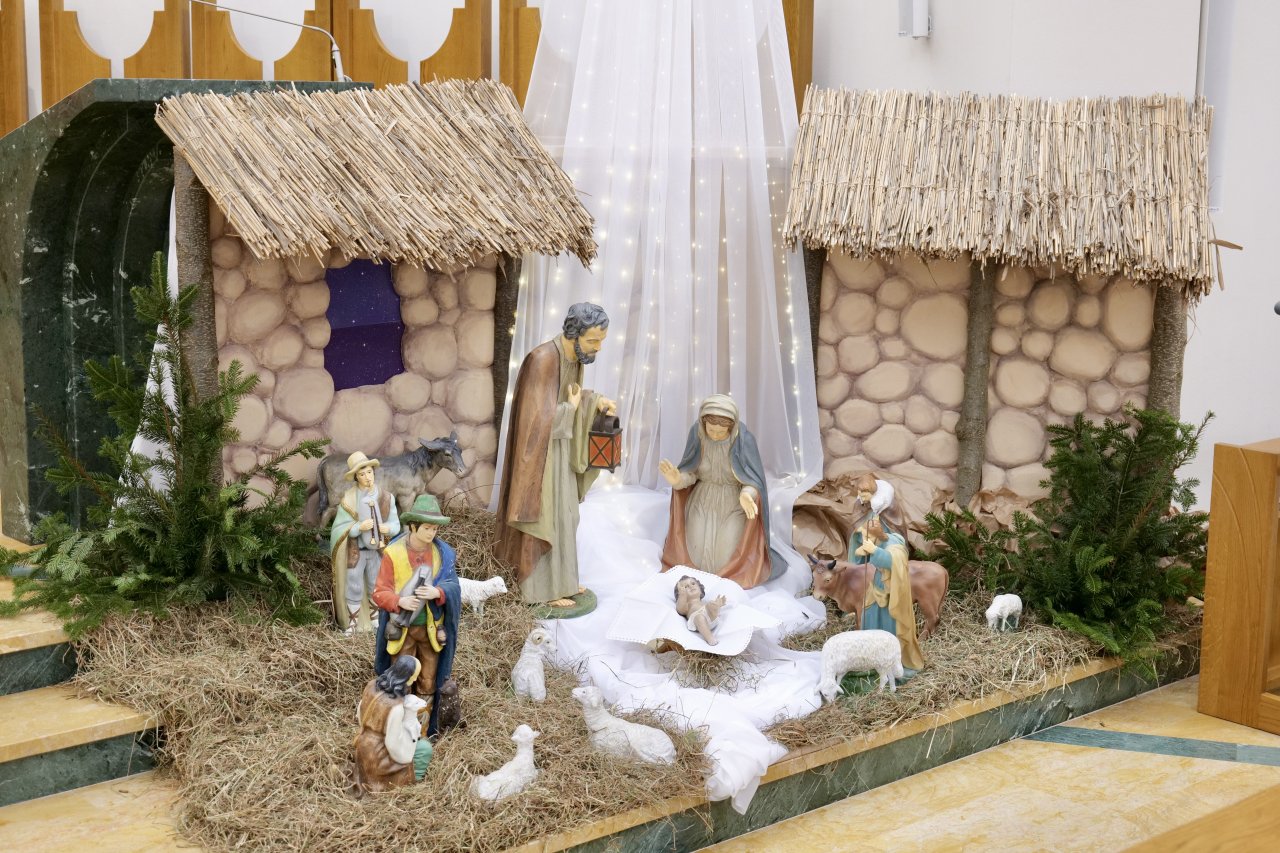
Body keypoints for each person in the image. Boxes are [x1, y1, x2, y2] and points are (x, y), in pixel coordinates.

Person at [494, 303, 617, 608]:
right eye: (593, 341)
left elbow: (567, 397)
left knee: (566, 515)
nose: (598, 348)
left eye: (601, 341)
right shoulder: (542, 359)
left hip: (561, 451)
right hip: (540, 459)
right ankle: (540, 590)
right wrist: (570, 409)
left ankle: (563, 582)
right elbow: (534, 420)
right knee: (546, 517)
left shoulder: (575, 357)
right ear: (573, 334)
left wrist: (595, 401)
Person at [659, 394, 784, 590]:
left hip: (733, 502)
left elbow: (753, 480)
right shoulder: (698, 435)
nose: (715, 435)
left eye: (721, 432)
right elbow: (691, 473)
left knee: (724, 556)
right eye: (711, 430)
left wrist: (747, 494)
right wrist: (677, 480)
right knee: (695, 552)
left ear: (731, 427)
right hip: (702, 499)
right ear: (703, 424)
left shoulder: (743, 440)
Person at [371, 494, 461, 735]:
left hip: (431, 631)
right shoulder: (393, 553)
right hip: (402, 631)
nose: (432, 533)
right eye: (427, 528)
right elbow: (379, 592)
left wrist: (438, 591)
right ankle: (397, 729)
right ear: (413, 526)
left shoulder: (442, 554)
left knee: (428, 680)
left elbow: (453, 585)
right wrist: (399, 600)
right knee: (401, 680)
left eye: (435, 528)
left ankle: (421, 731)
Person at [330, 451, 400, 634]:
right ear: (356, 477)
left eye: (369, 472)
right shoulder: (349, 499)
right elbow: (339, 527)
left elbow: (396, 524)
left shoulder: (386, 497)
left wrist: (387, 528)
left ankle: (375, 619)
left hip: (376, 551)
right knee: (353, 585)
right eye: (362, 474)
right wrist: (358, 527)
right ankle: (352, 623)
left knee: (374, 584)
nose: (367, 477)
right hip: (356, 552)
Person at [848, 516, 925, 672]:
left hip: (892, 592)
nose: (865, 540)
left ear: (878, 533)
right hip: (877, 587)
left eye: (868, 536)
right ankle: (872, 656)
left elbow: (894, 561)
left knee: (888, 623)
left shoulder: (894, 543)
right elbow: (861, 557)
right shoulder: (874, 542)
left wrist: (875, 551)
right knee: (868, 615)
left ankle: (890, 660)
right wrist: (864, 550)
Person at [352, 656, 433, 795]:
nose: (414, 680)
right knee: (424, 748)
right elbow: (394, 746)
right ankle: (414, 781)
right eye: (414, 677)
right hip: (379, 758)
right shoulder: (396, 706)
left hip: (362, 746)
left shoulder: (371, 685)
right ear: (407, 677)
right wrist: (408, 751)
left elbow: (360, 712)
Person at [673, 575, 727, 646]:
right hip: (697, 619)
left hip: (711, 616)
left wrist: (716, 605)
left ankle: (716, 606)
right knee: (700, 617)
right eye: (686, 587)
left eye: (693, 583)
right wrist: (682, 595)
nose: (691, 586)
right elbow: (680, 610)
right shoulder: (686, 605)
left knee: (710, 604)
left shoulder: (704, 603)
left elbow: (707, 607)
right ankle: (710, 639)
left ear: (700, 589)